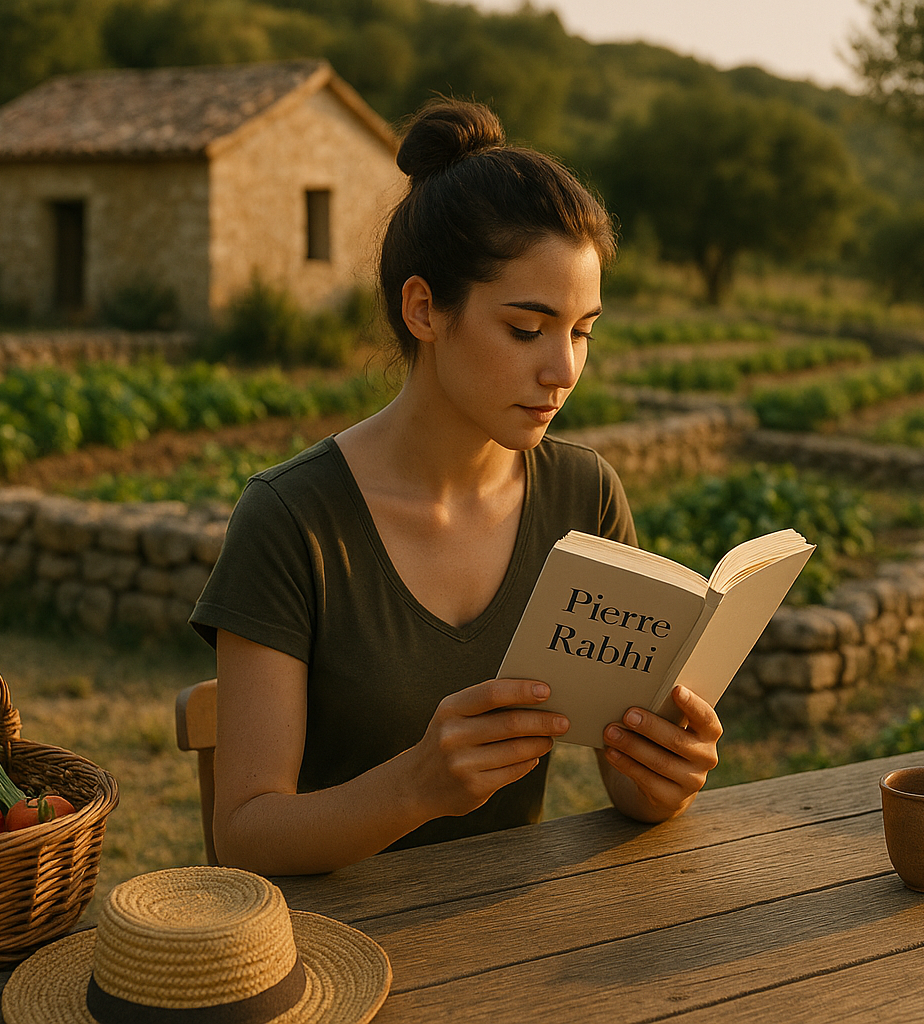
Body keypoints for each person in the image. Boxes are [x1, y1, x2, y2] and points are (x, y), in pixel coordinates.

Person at [189, 100, 722, 875]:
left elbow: (624, 781)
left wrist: (662, 774)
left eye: (582, 331)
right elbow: (244, 835)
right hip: (335, 957)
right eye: (526, 328)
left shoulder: (586, 497)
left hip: (510, 943)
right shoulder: (293, 520)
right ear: (424, 309)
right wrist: (416, 785)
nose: (564, 370)